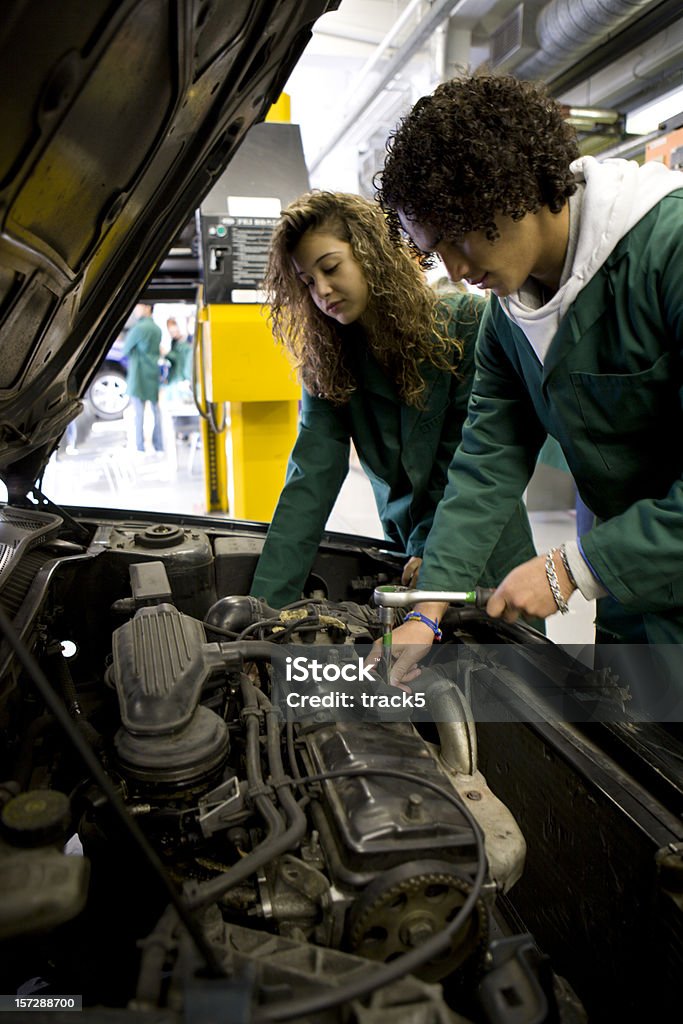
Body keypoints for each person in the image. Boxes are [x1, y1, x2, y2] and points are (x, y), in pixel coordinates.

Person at [374, 72, 683, 686]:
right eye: (437, 252)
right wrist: (430, 608)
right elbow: (487, 458)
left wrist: (572, 568)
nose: (457, 273)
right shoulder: (506, 320)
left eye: (460, 234)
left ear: (514, 184)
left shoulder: (666, 251)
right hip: (632, 584)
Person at [249, 190, 537, 609]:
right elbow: (309, 480)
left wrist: (430, 552)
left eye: (331, 268)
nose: (322, 290)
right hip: (408, 558)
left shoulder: (465, 327)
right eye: (308, 282)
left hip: (487, 556)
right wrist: (263, 607)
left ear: (370, 254)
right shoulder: (329, 368)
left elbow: (469, 462)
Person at [123, 301, 164, 454]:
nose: (135, 310)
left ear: (147, 308)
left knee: (139, 414)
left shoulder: (138, 328)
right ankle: (159, 445)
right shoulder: (157, 329)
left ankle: (140, 446)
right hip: (152, 375)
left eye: (138, 306)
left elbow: (125, 350)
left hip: (138, 377)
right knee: (155, 412)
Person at [165, 317, 193, 393]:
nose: (173, 332)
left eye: (174, 329)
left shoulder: (187, 345)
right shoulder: (174, 343)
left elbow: (185, 363)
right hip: (176, 381)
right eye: (170, 331)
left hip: (184, 380)